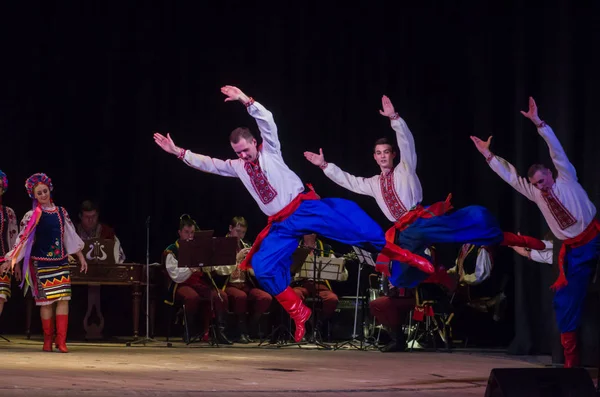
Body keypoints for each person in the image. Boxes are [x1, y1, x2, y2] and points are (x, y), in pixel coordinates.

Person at [154, 85, 434, 342]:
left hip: (303, 208)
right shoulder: (238, 167)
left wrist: (245, 100)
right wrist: (179, 152)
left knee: (359, 231)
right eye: (237, 153)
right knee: (262, 266)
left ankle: (409, 257)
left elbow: (268, 121)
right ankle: (300, 313)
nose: (243, 156)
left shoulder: (270, 152)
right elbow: (210, 164)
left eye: (245, 150)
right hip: (280, 225)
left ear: (254, 143)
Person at [304, 95, 536, 289]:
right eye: (378, 152)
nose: (383, 155)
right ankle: (435, 269)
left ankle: (525, 241)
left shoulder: (405, 168)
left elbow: (407, 144)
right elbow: (349, 181)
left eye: (386, 151)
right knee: (398, 277)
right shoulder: (373, 183)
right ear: (374, 157)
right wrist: (325, 166)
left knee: (476, 223)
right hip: (404, 234)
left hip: (423, 220)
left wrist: (395, 119)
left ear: (393, 154)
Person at [471, 96, 599, 368]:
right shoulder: (535, 193)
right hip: (574, 252)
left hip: (595, 236)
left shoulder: (566, 177)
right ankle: (571, 367)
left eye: (542, 181)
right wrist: (488, 155)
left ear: (551, 175)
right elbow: (511, 177)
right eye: (536, 184)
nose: (541, 186)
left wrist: (539, 123)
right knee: (565, 305)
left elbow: (556, 150)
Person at [1, 173, 88, 353]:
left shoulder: (61, 212)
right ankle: (48, 339)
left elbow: (69, 235)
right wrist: (11, 260)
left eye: (44, 191)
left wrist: (81, 257)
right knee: (46, 302)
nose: (43, 195)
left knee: (63, 300)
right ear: (34, 196)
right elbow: (22, 240)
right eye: (39, 193)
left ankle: (61, 340)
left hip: (60, 261)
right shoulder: (32, 216)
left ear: (50, 190)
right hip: (40, 264)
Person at [162, 214, 231, 344]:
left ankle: (220, 332)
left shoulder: (200, 248)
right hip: (181, 284)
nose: (190, 236)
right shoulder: (171, 250)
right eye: (186, 232)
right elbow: (175, 275)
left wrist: (207, 264)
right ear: (179, 232)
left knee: (221, 295)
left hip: (200, 283)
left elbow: (209, 269)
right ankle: (188, 331)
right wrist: (190, 269)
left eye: (192, 232)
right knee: (192, 297)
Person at [214, 216, 272, 343]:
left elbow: (252, 271)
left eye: (243, 232)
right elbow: (219, 270)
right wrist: (237, 258)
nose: (240, 235)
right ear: (230, 228)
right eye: (237, 231)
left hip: (245, 284)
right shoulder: (221, 244)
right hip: (228, 284)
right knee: (241, 297)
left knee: (265, 298)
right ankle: (240, 332)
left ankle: (251, 329)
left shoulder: (245, 245)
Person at [0, 170, 18, 316]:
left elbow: (14, 239)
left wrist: (13, 261)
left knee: (1, 296)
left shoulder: (8, 212)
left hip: (3, 261)